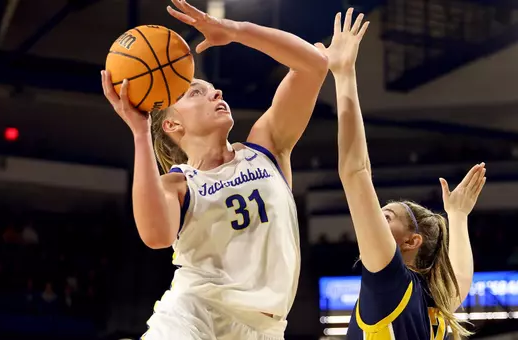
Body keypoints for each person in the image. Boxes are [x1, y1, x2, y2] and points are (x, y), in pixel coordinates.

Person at [100, 0, 329, 338]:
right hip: (194, 316)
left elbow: (313, 65)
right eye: (196, 92)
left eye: (212, 89)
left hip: (266, 329)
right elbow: (156, 236)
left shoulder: (266, 148)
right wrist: (139, 132)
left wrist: (236, 31)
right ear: (172, 125)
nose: (215, 92)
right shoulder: (177, 184)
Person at [320, 8, 486, 339]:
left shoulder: (391, 283)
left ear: (410, 242)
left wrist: (344, 74)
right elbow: (461, 277)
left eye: (386, 215)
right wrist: (457, 215)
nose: (375, 219)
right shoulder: (433, 303)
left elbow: (356, 172)